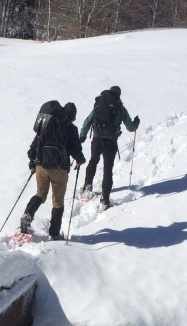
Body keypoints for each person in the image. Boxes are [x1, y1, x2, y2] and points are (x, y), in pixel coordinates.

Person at [21, 102, 86, 240]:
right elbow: (76, 150)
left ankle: (27, 214)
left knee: (40, 195)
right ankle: (54, 233)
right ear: (72, 116)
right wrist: (81, 159)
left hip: (41, 167)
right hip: (59, 170)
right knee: (58, 202)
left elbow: (33, 147)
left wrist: (33, 162)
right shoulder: (71, 129)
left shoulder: (47, 125)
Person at [78, 86, 140, 208]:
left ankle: (87, 188)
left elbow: (87, 121)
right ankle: (105, 200)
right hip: (111, 141)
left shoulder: (99, 104)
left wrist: (82, 136)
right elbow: (131, 127)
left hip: (97, 139)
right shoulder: (120, 108)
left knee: (93, 161)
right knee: (108, 169)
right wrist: (136, 122)